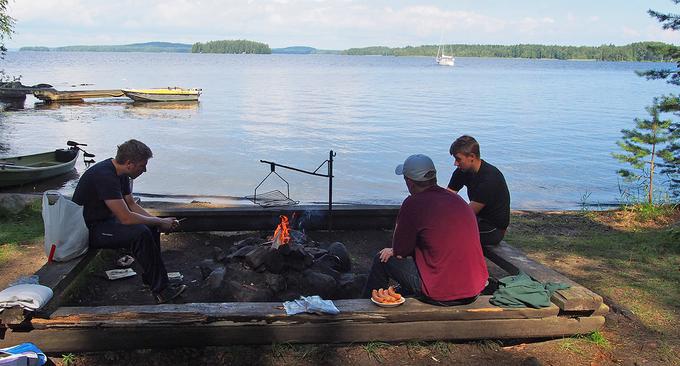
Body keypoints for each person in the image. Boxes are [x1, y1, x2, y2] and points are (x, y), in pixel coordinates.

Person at [362, 154, 488, 305]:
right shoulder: (457, 200)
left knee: (382, 259)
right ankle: (399, 293)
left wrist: (396, 245)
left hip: (442, 292)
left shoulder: (413, 204)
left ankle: (363, 305)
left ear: (409, 182)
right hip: (474, 287)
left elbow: (401, 250)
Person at [72, 139, 186, 303]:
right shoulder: (104, 176)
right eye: (142, 165)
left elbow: (131, 205)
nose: (145, 170)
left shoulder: (122, 173)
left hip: (107, 223)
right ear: (129, 163)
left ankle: (153, 279)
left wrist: (156, 221)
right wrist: (160, 222)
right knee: (140, 233)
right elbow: (125, 218)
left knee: (150, 227)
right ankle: (161, 291)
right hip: (89, 230)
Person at [448, 135, 510, 246]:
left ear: (472, 156)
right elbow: (446, 197)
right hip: (476, 220)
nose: (455, 163)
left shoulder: (490, 179)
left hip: (493, 229)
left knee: (447, 233)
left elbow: (467, 214)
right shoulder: (462, 171)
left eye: (458, 159)